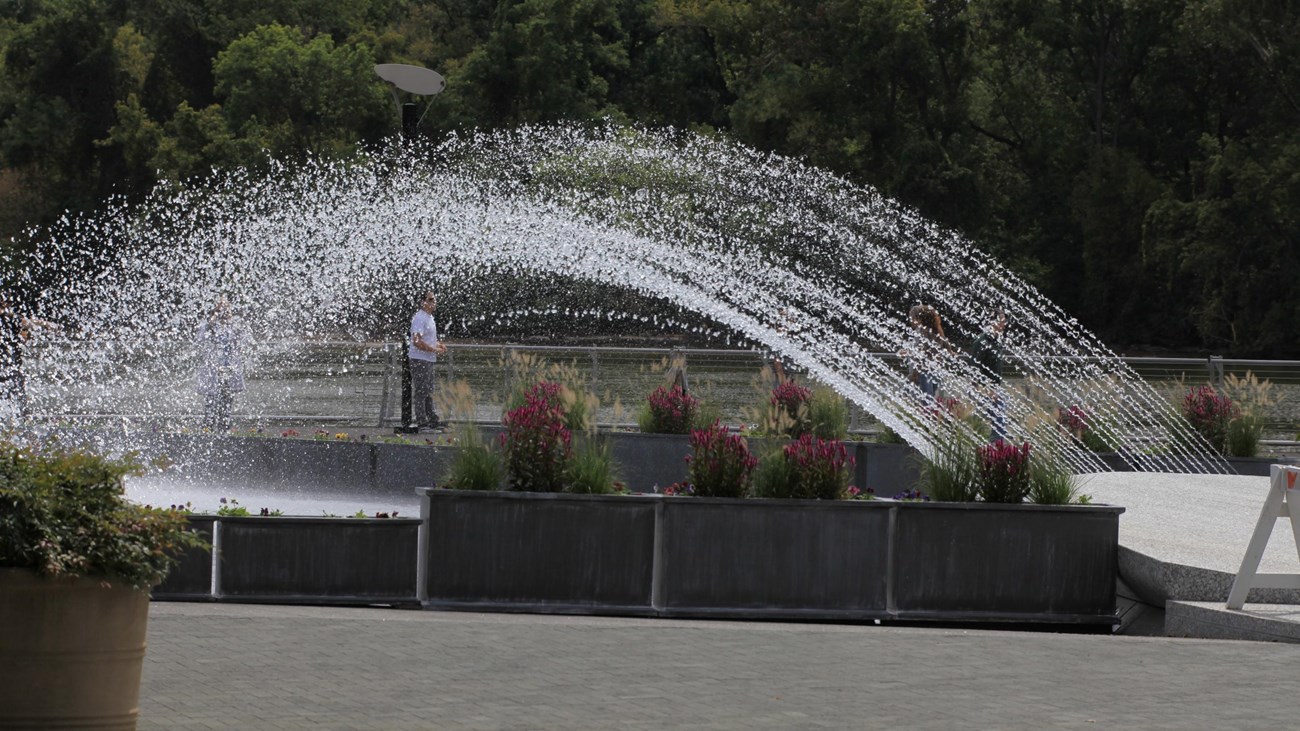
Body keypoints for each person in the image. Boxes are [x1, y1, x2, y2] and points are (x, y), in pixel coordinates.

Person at [0, 293, 61, 420]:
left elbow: (25, 332)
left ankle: (17, 418)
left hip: (10, 365)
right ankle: (20, 418)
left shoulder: (10, 319)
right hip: (10, 366)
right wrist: (47, 325)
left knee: (14, 392)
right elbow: (27, 325)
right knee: (16, 394)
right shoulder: (9, 318)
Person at [195, 295, 250, 432]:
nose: (225, 313)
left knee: (226, 401)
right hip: (213, 369)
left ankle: (224, 428)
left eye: (227, 309)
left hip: (228, 369)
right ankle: (208, 428)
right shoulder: (208, 327)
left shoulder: (234, 326)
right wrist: (210, 324)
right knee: (211, 400)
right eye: (220, 310)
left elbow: (243, 342)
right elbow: (199, 341)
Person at [409, 289, 447, 431]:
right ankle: (422, 422)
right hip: (419, 359)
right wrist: (434, 350)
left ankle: (432, 420)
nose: (434, 302)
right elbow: (417, 341)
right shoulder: (420, 318)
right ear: (423, 302)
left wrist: (438, 345)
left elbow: (428, 339)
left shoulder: (430, 318)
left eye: (434, 299)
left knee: (429, 390)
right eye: (430, 300)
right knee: (421, 391)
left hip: (428, 359)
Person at [971, 308, 1008, 441]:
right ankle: (995, 448)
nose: (1004, 324)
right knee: (996, 422)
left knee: (998, 422)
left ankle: (995, 447)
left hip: (994, 389)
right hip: (985, 390)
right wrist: (985, 390)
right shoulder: (981, 341)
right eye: (1001, 320)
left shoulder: (996, 340)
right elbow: (974, 368)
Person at [901, 304, 952, 398]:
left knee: (925, 400)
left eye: (912, 318)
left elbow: (922, 353)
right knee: (929, 398)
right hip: (935, 369)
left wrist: (915, 373)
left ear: (919, 319)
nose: (910, 320)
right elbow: (944, 343)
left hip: (923, 372)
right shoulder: (936, 330)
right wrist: (950, 352)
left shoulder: (922, 332)